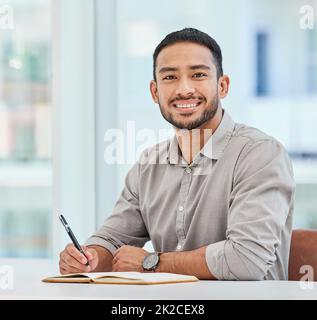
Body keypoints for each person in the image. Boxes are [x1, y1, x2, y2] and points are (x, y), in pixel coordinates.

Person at [59, 28, 295, 280]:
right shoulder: (148, 164)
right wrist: (88, 258)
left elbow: (246, 261)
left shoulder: (260, 155)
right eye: (170, 77)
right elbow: (112, 239)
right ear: (155, 92)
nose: (184, 89)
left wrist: (151, 262)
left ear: (223, 86)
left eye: (198, 74)